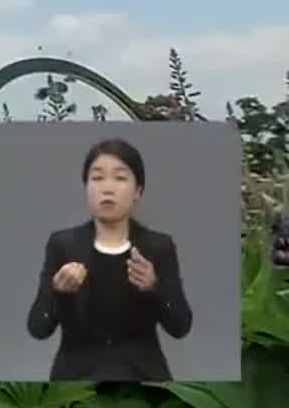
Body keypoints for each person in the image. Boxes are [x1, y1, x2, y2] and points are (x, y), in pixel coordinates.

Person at [27, 138, 192, 381]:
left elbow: (180, 326)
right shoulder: (63, 244)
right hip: (76, 380)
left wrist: (154, 287)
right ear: (86, 187)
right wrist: (57, 291)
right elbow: (38, 328)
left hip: (142, 377)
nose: (108, 188)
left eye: (120, 178)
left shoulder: (158, 246)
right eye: (97, 178)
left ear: (138, 190)